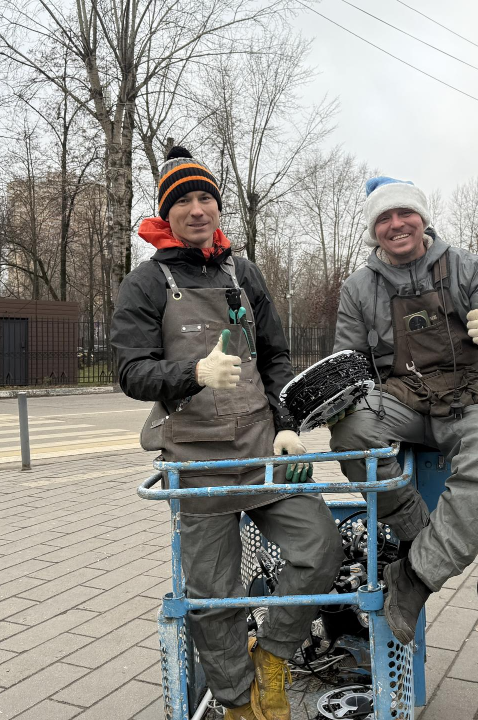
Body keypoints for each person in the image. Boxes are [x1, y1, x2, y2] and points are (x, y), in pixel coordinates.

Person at [111, 146, 343, 720]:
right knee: (213, 596)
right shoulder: (146, 283)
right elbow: (130, 372)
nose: (196, 209)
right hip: (196, 464)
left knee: (321, 549)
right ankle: (240, 703)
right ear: (167, 214)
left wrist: (288, 423)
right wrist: (192, 374)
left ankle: (273, 657)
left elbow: (276, 355)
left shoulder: (244, 271)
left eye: (205, 198)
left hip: (263, 452)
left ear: (218, 206)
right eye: (183, 200)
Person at [328, 176, 478, 645]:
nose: (396, 224)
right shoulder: (359, 288)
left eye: (405, 214)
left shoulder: (466, 267)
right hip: (402, 398)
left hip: (469, 396)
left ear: (423, 219)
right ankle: (418, 532)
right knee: (350, 431)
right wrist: (323, 406)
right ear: (373, 230)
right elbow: (349, 364)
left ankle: (415, 577)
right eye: (384, 218)